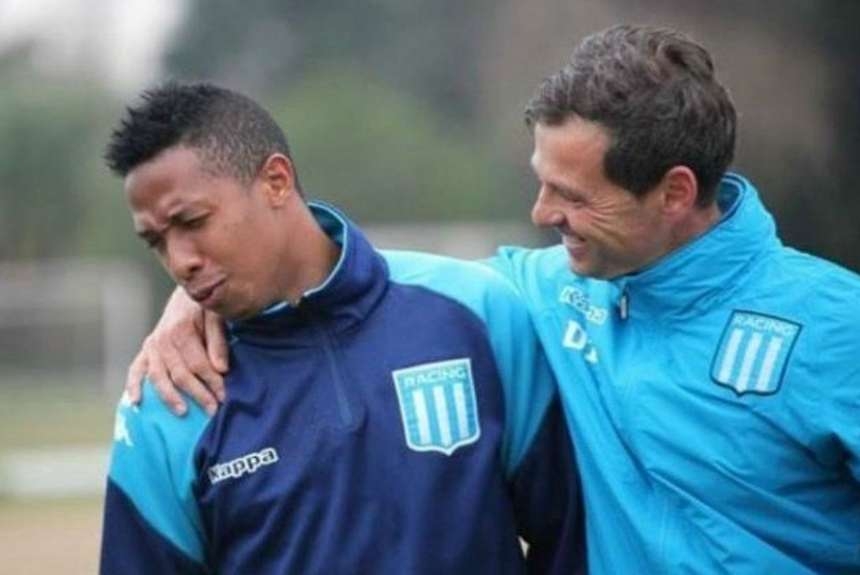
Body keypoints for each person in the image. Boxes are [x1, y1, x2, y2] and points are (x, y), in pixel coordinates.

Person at [130, 25, 860, 574]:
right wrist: (202, 289)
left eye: (573, 195)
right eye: (542, 182)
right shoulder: (544, 293)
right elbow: (365, 288)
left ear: (673, 193)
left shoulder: (837, 327)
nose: (543, 213)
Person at [99, 82, 584, 574]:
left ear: (276, 181)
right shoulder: (169, 399)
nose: (179, 261)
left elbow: (569, 536)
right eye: (156, 242)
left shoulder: (475, 313)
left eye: (193, 221)